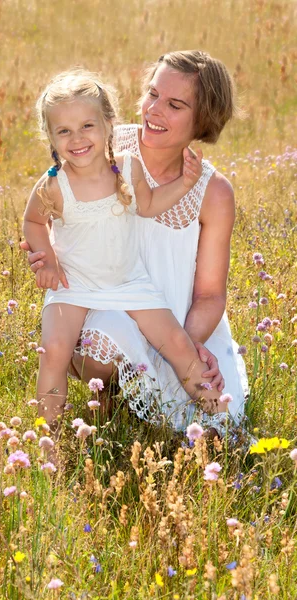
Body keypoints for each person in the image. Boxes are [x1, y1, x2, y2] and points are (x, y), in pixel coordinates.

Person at [24, 51, 248, 436]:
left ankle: (225, 437)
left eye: (175, 104)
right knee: (97, 343)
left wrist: (185, 344)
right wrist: (44, 254)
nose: (154, 110)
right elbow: (50, 207)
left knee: (215, 409)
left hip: (169, 316)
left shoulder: (212, 190)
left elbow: (211, 295)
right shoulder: (101, 145)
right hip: (96, 299)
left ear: (203, 118)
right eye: (152, 93)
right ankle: (101, 405)